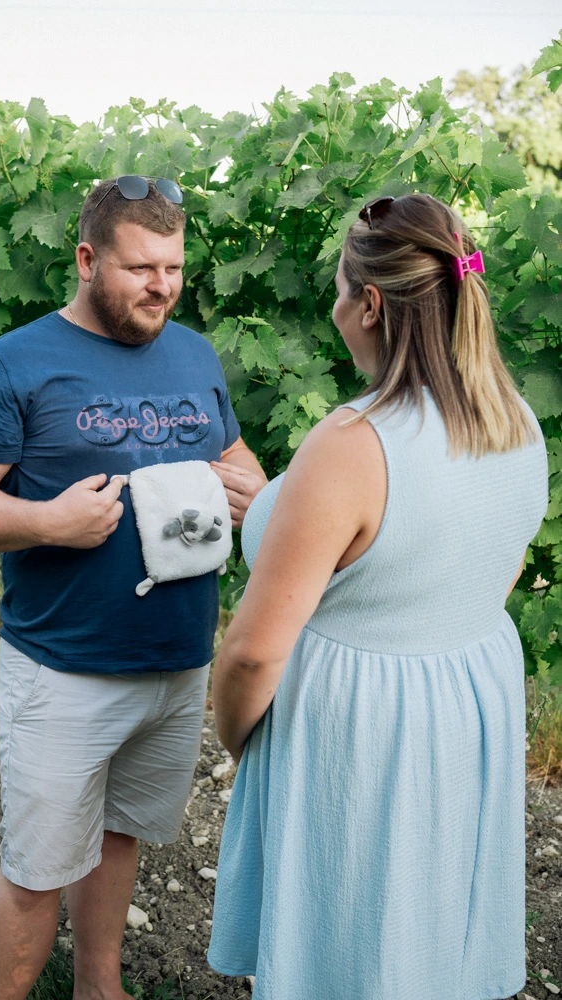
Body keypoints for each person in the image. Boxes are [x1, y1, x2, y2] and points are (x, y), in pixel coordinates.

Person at [0, 175, 266, 1000]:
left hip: (176, 660)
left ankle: (98, 988)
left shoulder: (191, 352)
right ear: (86, 259)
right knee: (38, 868)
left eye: (174, 268)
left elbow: (234, 453)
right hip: (66, 668)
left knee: (118, 838)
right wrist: (46, 523)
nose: (162, 286)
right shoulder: (14, 362)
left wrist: (257, 491)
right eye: (141, 268)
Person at [207, 193, 549, 1000]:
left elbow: (255, 650)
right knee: (423, 932)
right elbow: (473, 571)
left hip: (363, 731)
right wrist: (275, 511)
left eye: (337, 291)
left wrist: (235, 735)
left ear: (368, 304)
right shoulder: (516, 421)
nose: (332, 309)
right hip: (463, 707)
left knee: (344, 942)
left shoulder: (351, 442)